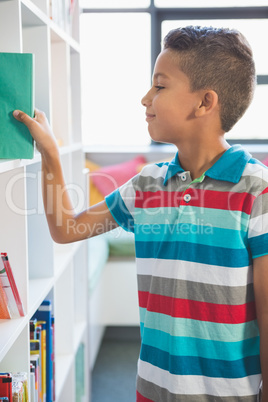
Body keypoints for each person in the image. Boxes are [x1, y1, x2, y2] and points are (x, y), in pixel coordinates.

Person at [13, 26, 268, 402]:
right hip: (152, 389)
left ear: (204, 102)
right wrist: (50, 152)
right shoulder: (148, 184)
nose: (145, 97)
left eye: (160, 86)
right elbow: (66, 228)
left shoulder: (256, 189)